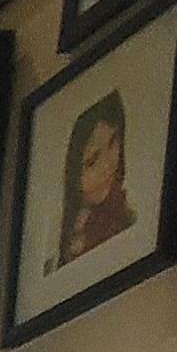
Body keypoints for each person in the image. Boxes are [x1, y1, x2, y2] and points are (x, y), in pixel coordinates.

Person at [55, 91, 135, 268]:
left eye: (113, 141)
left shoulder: (123, 213)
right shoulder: (63, 239)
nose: (108, 166)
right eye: (92, 161)